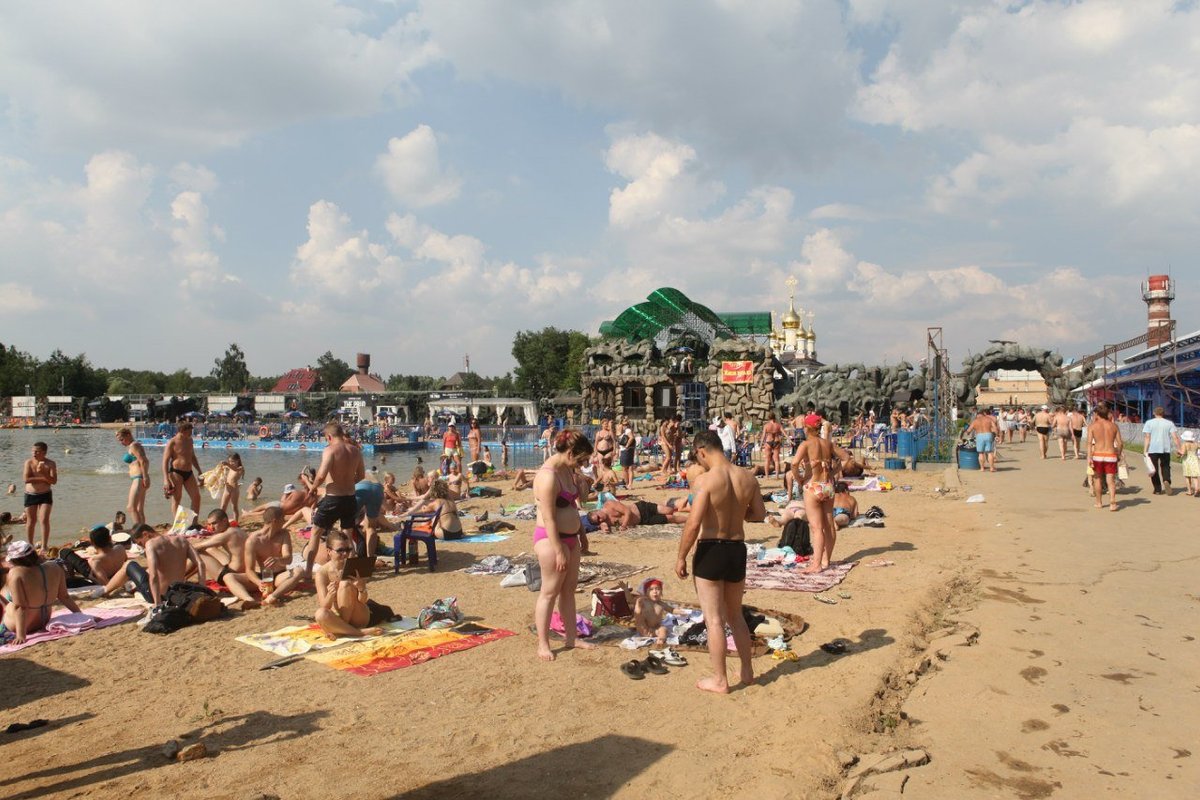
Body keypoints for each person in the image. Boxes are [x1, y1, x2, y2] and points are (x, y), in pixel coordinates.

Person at [675, 429, 766, 693]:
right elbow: (759, 514)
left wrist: (681, 556)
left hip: (711, 548)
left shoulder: (705, 480)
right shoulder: (747, 477)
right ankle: (747, 671)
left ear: (702, 451)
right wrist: (738, 511)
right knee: (735, 616)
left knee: (713, 619)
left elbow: (693, 523)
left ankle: (720, 680)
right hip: (737, 548)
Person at [532, 429, 597, 661]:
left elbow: (572, 507)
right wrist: (558, 548)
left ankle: (571, 637)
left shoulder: (567, 470)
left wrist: (581, 535)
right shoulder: (548, 476)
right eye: (581, 459)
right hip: (551, 539)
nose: (583, 464)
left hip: (570, 538)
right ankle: (543, 644)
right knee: (549, 592)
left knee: (568, 590)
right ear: (570, 453)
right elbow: (549, 517)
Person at [302, 423, 365, 578]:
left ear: (329, 436)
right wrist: (347, 483)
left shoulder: (330, 450)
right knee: (347, 536)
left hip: (333, 499)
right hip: (350, 498)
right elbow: (361, 476)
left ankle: (308, 571)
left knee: (315, 533)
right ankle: (350, 571)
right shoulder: (355, 451)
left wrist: (313, 488)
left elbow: (321, 475)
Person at [1, 541, 85, 645]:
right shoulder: (55, 567)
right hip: (43, 621)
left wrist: (21, 635)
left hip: (21, 626)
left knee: (6, 593)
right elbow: (64, 597)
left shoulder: (16, 573)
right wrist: (81, 615)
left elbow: (20, 607)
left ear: (15, 560)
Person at [792, 414, 846, 574]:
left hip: (813, 486)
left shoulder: (806, 444)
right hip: (828, 485)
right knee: (829, 525)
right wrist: (833, 473)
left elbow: (794, 463)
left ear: (807, 428)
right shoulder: (827, 443)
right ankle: (825, 560)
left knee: (817, 528)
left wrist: (799, 479)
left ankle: (816, 564)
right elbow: (845, 457)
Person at [314, 530, 389, 638]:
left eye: (348, 549)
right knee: (320, 614)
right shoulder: (322, 573)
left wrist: (361, 588)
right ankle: (358, 632)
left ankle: (341, 630)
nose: (345, 554)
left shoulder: (354, 566)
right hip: (337, 615)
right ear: (329, 551)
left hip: (358, 615)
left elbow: (362, 601)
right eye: (340, 550)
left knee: (345, 584)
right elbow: (325, 606)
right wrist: (330, 595)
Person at [192, 509, 260, 606]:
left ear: (224, 521)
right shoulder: (236, 530)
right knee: (210, 549)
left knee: (198, 553)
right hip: (243, 569)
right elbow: (211, 544)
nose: (211, 527)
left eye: (214, 523)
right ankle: (183, 577)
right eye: (209, 524)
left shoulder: (226, 534)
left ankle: (181, 577)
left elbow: (197, 547)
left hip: (233, 573)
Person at [126, 523, 205, 606]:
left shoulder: (151, 544)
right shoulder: (182, 540)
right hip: (177, 593)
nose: (143, 547)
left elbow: (154, 576)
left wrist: (157, 603)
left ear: (145, 534)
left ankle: (116, 588)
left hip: (160, 596)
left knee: (129, 565)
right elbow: (200, 564)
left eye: (140, 543)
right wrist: (202, 589)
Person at [245, 507, 305, 606]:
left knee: (299, 571)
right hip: (261, 577)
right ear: (275, 521)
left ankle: (272, 597)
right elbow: (249, 570)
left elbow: (288, 559)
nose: (284, 521)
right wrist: (259, 582)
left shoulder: (284, 534)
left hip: (279, 576)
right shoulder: (252, 540)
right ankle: (248, 599)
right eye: (283, 519)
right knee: (229, 577)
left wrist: (278, 560)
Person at [162, 422, 203, 519]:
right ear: (182, 430)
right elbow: (165, 461)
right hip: (176, 472)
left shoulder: (190, 440)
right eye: (190, 431)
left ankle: (194, 522)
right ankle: (177, 523)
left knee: (196, 497)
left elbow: (192, 456)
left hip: (189, 472)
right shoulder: (172, 442)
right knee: (177, 499)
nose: (191, 433)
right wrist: (166, 479)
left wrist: (199, 471)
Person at [1087, 403, 1123, 511]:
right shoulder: (1113, 426)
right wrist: (1118, 454)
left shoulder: (1092, 426)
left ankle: (1099, 502)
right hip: (1110, 454)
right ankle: (1112, 503)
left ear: (1097, 414)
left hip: (1097, 455)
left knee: (1097, 478)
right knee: (1110, 480)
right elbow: (1120, 443)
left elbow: (1089, 443)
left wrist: (1089, 457)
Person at [22, 442, 56, 552]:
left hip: (45, 494)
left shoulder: (50, 463)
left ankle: (44, 546)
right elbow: (26, 479)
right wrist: (44, 478)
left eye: (37, 452)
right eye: (33, 451)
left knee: (44, 519)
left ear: (44, 452)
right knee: (31, 520)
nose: (34, 453)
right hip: (30, 494)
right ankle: (30, 545)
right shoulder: (29, 462)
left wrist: (43, 473)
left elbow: (54, 481)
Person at [115, 428, 150, 526]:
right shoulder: (133, 445)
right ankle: (143, 529)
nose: (121, 442)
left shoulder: (134, 445)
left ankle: (138, 531)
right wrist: (145, 476)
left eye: (122, 439)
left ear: (128, 435)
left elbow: (143, 461)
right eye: (119, 441)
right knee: (139, 509)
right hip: (139, 477)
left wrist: (145, 476)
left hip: (139, 478)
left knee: (131, 507)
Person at [1143, 406, 1180, 496]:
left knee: (1153, 469)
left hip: (1153, 449)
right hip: (1165, 449)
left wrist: (1145, 450)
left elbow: (1147, 437)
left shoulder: (1149, 423)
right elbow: (1175, 437)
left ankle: (1157, 489)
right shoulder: (1169, 423)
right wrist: (1179, 448)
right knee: (1166, 466)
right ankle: (1166, 480)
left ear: (1154, 413)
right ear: (1163, 413)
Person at [634, 577, 672, 646]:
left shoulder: (661, 604)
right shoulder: (644, 602)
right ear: (646, 593)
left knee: (663, 629)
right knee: (639, 618)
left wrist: (682, 612)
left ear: (661, 592)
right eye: (651, 589)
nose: (655, 592)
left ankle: (661, 639)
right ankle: (650, 635)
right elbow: (637, 614)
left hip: (655, 628)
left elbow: (671, 610)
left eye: (658, 589)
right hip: (644, 628)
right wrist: (638, 603)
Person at [218, 453, 245, 521]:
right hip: (227, 488)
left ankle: (236, 522)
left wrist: (227, 464)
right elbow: (224, 468)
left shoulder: (240, 468)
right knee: (222, 507)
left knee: (234, 508)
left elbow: (235, 469)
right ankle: (221, 521)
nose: (231, 463)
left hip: (234, 489)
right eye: (230, 461)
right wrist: (221, 465)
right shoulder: (230, 467)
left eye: (233, 461)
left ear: (238, 460)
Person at [760, 412, 784, 477]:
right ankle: (777, 476)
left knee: (767, 460)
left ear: (768, 418)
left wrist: (761, 445)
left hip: (768, 441)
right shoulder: (778, 425)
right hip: (776, 441)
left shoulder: (766, 425)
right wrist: (790, 440)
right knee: (776, 460)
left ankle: (767, 476)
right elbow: (784, 433)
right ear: (774, 417)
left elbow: (763, 436)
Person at [1179, 430, 1200, 496]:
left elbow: (1183, 452)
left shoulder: (1184, 444)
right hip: (1195, 460)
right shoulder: (1196, 444)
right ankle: (1197, 489)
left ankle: (1189, 491)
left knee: (1187, 477)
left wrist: (1179, 453)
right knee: (1195, 476)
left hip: (1187, 461)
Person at [617, 418, 636, 488]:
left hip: (626, 450)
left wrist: (627, 445)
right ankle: (627, 483)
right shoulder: (621, 430)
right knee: (626, 468)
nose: (625, 426)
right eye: (624, 424)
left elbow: (632, 438)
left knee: (627, 468)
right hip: (624, 450)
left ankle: (628, 483)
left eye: (627, 424)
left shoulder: (628, 430)